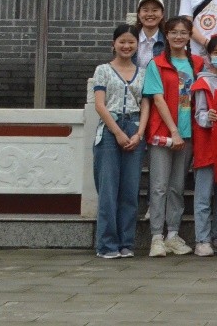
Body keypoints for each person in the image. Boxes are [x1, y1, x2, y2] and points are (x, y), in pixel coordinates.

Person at [143, 15, 200, 257]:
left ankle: (173, 235)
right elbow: (157, 99)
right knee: (159, 186)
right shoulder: (156, 64)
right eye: (174, 32)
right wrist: (174, 131)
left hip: (188, 133)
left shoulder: (197, 64)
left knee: (177, 186)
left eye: (183, 32)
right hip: (163, 133)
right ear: (166, 35)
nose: (178, 36)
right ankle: (156, 237)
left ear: (189, 36)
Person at [91, 23, 149, 259]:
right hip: (109, 130)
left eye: (131, 42)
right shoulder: (103, 70)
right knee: (108, 189)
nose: (126, 46)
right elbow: (99, 105)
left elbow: (146, 105)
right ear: (113, 44)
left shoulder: (143, 72)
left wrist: (139, 133)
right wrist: (117, 132)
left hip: (134, 128)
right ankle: (106, 245)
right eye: (122, 41)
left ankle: (126, 243)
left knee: (129, 190)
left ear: (137, 45)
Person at [189, 35, 217, 257]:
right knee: (204, 195)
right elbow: (199, 115)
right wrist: (210, 116)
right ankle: (202, 239)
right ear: (208, 56)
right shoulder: (202, 83)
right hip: (207, 145)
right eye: (215, 53)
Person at [133, 0, 166, 70]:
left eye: (155, 10)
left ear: (162, 14)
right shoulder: (130, 39)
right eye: (145, 10)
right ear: (139, 14)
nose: (150, 14)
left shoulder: (169, 41)